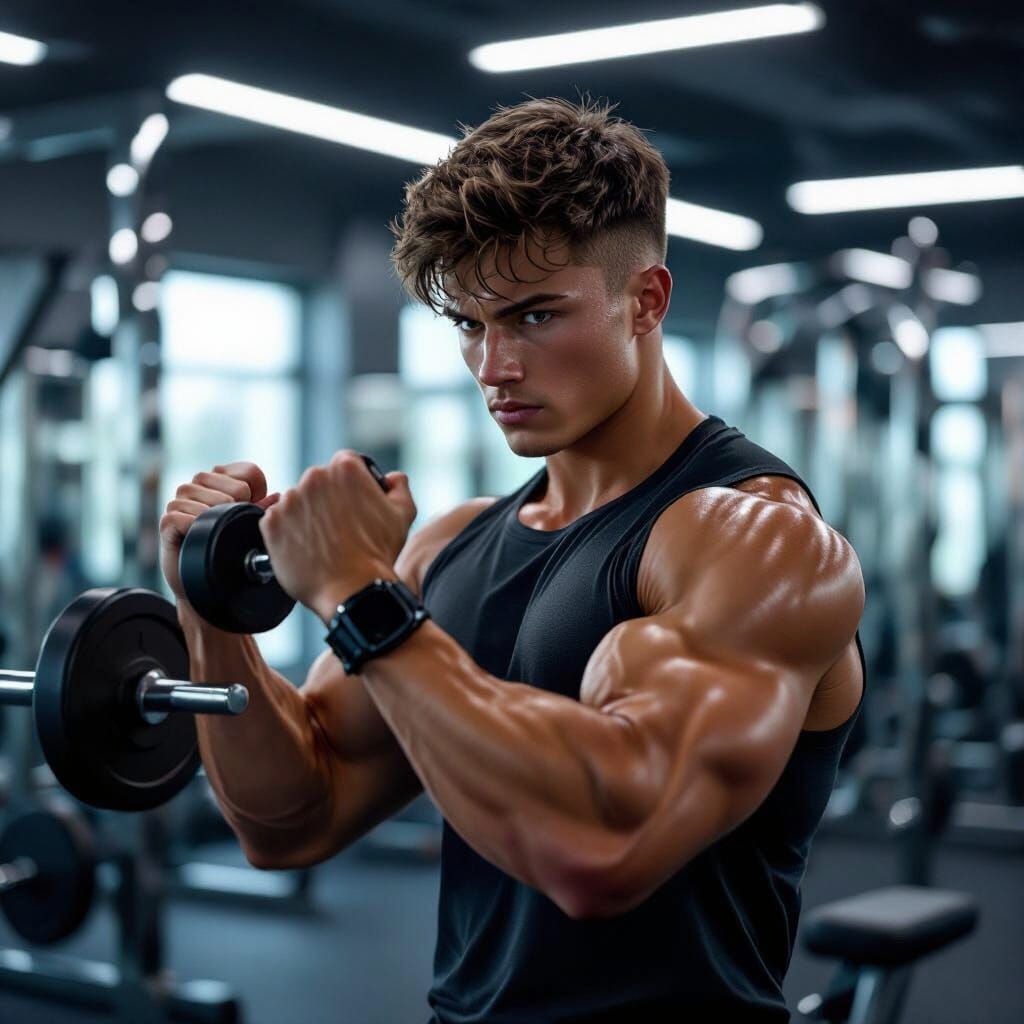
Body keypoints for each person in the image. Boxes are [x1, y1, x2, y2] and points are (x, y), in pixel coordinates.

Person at [160, 96, 866, 1023]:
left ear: (645, 300)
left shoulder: (755, 541)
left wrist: (356, 590)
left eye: (534, 316)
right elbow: (295, 815)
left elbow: (608, 848)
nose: (493, 367)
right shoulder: (455, 545)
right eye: (468, 323)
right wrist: (211, 609)